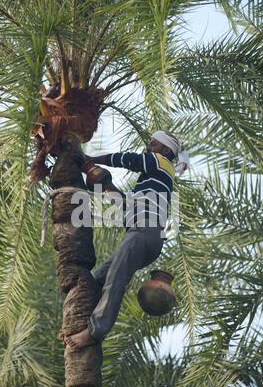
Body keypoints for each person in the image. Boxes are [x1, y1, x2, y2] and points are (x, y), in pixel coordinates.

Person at [64, 130, 189, 351]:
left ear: (166, 150)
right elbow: (122, 204)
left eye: (155, 143)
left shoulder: (160, 162)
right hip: (147, 236)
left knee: (115, 279)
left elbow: (126, 159)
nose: (149, 144)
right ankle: (82, 319)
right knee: (95, 278)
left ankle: (95, 332)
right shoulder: (152, 184)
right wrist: (94, 176)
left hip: (144, 233)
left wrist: (91, 159)